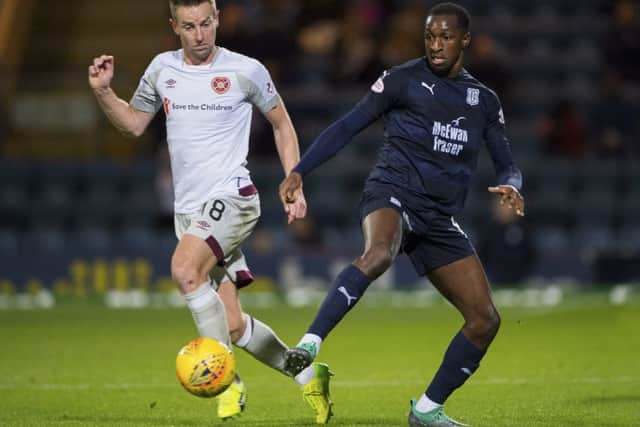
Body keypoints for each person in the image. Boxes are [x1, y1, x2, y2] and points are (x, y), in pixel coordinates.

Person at [279, 3, 524, 426]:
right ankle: (309, 345)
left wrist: (512, 184)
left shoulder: (483, 100)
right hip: (392, 191)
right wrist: (300, 171)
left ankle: (427, 410)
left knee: (485, 320)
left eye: (446, 37)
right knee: (378, 254)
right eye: (430, 37)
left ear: (465, 40)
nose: (436, 45)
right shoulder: (402, 80)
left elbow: (506, 159)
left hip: (439, 218)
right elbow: (347, 125)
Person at [88, 0, 332, 423]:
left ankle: (227, 382)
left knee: (185, 270)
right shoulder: (162, 69)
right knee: (233, 326)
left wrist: (294, 180)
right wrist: (104, 92)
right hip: (189, 211)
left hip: (233, 198)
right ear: (174, 26)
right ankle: (307, 372)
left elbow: (282, 123)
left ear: (217, 20)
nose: (199, 34)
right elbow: (132, 124)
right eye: (189, 26)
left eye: (206, 23)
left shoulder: (246, 70)